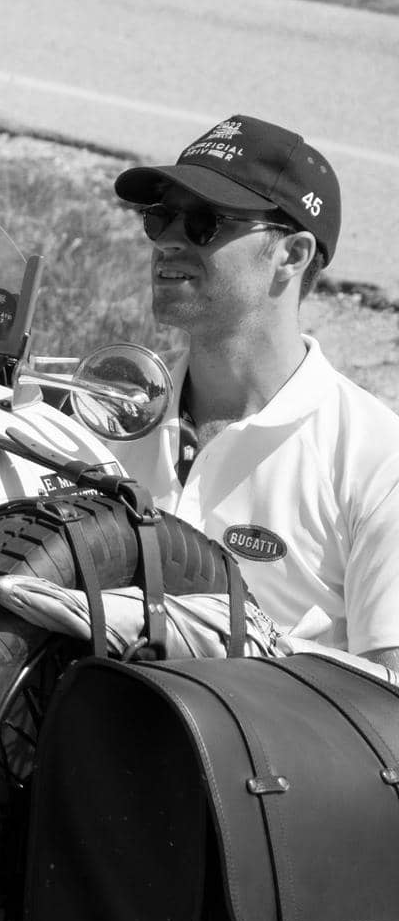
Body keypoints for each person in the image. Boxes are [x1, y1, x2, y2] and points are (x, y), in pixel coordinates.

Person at [104, 113, 399, 671]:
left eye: (204, 222)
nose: (167, 240)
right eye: (159, 218)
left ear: (292, 255)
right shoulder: (112, 408)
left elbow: (390, 707)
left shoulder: (377, 461)